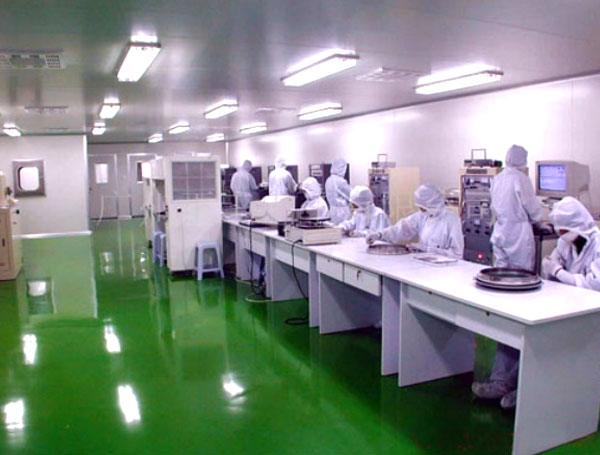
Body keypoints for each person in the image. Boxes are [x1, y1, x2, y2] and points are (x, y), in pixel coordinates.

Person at [471, 145, 544, 410]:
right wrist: (542, 219)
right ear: (523, 161)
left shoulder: (499, 178)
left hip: (500, 232)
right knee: (521, 292)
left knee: (500, 287)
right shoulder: (521, 179)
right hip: (517, 235)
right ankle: (506, 375)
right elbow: (534, 211)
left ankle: (507, 375)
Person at [366, 183, 464, 259]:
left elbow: (457, 254)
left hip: (445, 270)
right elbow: (401, 229)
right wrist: (380, 235)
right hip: (424, 264)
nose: (421, 210)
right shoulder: (423, 216)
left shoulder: (451, 220)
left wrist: (429, 250)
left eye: (423, 207)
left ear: (433, 204)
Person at [542, 197, 600, 290]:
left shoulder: (597, 246)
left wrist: (558, 271)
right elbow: (552, 275)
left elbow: (595, 285)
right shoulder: (564, 243)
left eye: (564, 231)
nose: (562, 235)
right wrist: (549, 267)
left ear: (577, 226)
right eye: (559, 231)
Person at [325, 158, 351, 224]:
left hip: (332, 210)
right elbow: (351, 194)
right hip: (342, 211)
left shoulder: (329, 180)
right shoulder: (340, 181)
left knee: (334, 228)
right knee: (343, 228)